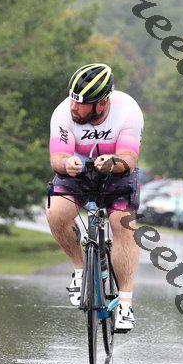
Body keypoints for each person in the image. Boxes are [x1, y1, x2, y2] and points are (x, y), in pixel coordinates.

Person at [45, 63, 144, 332]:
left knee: (123, 224)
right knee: (56, 212)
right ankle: (79, 269)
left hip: (116, 171)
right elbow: (57, 157)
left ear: (101, 104)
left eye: (81, 104)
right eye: (72, 100)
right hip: (78, 171)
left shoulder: (128, 110)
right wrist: (67, 164)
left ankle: (125, 303)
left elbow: (128, 158)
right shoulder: (63, 113)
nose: (73, 107)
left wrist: (113, 162)